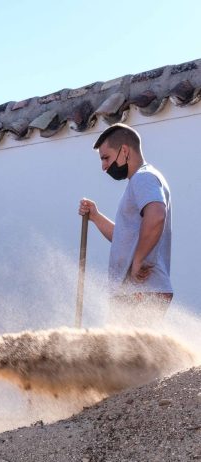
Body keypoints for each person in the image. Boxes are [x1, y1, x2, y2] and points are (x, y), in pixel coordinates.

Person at [78, 123, 173, 325]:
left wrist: (138, 260)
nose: (104, 167)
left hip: (140, 290)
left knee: (127, 355)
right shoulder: (142, 180)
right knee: (130, 355)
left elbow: (156, 216)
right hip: (139, 290)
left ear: (124, 151)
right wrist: (95, 216)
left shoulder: (143, 177)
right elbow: (125, 238)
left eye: (106, 158)